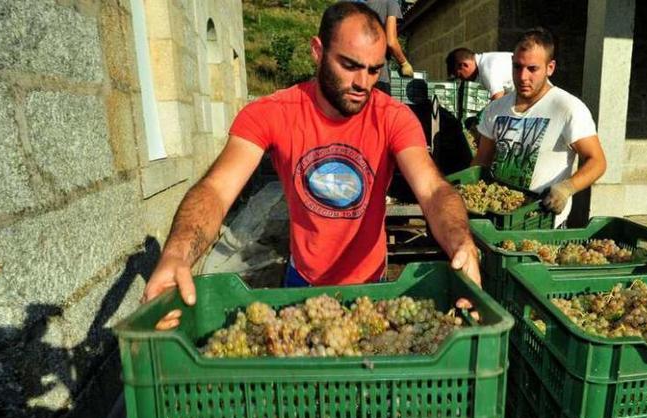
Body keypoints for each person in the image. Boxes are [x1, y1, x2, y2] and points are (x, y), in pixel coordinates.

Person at [142, 1, 480, 330]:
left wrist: (460, 241)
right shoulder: (272, 113)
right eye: (349, 65)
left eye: (374, 69)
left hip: (373, 287)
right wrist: (177, 254)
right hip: (302, 282)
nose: (363, 83)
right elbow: (216, 188)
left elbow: (433, 189)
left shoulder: (393, 117)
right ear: (318, 51)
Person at [471, 27, 607, 227]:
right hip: (496, 218)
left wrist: (566, 188)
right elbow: (482, 159)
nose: (523, 77)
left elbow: (597, 161)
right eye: (517, 67)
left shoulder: (567, 108)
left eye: (532, 69)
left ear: (550, 68)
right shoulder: (496, 109)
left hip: (542, 222)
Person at [362, 0, 413, 93]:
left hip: (357, 76)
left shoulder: (357, 6)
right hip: (378, 77)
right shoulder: (390, 3)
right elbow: (391, 41)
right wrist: (404, 63)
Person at [446, 47, 514, 101]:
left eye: (460, 76)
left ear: (464, 65)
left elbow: (498, 99)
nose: (462, 80)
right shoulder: (485, 61)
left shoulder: (487, 69)